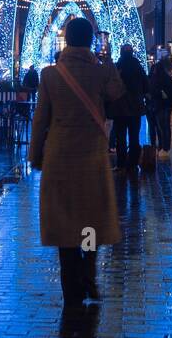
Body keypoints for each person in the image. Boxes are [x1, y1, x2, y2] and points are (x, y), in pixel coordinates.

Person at [29, 16, 125, 315]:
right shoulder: (99, 72)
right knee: (90, 219)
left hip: (60, 156)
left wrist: (35, 154)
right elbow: (117, 94)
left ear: (67, 39)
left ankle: (71, 287)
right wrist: (107, 61)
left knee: (64, 221)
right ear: (90, 40)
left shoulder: (50, 75)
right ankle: (89, 276)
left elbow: (41, 118)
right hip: (92, 156)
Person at [112, 43, 149, 171]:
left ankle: (121, 163)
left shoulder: (118, 66)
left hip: (120, 108)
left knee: (120, 137)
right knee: (134, 136)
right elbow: (146, 85)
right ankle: (133, 163)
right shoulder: (138, 66)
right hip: (135, 108)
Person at [147, 56, 172, 157]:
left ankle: (160, 147)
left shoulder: (156, 73)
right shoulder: (166, 77)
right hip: (164, 104)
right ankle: (164, 147)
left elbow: (151, 87)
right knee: (164, 126)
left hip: (157, 104)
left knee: (159, 126)